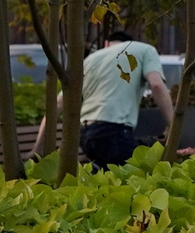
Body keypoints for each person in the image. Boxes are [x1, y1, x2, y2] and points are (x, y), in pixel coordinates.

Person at [34, 37, 173, 168]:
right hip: (113, 131)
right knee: (139, 178)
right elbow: (156, 85)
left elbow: (58, 104)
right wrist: (173, 127)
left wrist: (37, 148)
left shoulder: (91, 59)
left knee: (109, 183)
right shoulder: (145, 49)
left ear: (107, 43)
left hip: (86, 134)